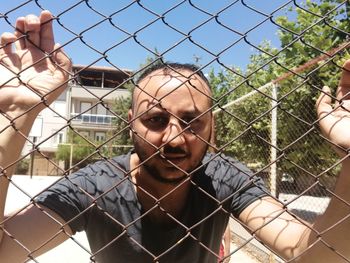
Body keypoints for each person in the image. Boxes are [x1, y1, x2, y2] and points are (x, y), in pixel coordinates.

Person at [0, 10, 350, 263]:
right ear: (130, 123)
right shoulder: (94, 186)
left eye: (192, 121)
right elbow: (6, 248)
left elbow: (317, 253)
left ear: (213, 129)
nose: (174, 139)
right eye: (155, 119)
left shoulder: (225, 178)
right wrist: (14, 116)